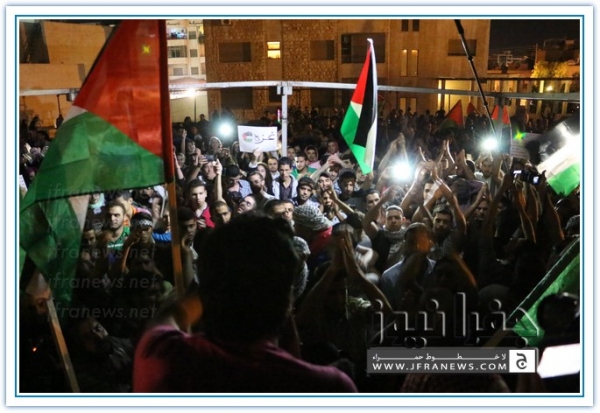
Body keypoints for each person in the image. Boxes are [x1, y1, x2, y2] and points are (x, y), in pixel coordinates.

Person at [133, 215, 357, 392]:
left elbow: (172, 315)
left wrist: (218, 279)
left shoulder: (164, 357)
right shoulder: (328, 388)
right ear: (286, 296)